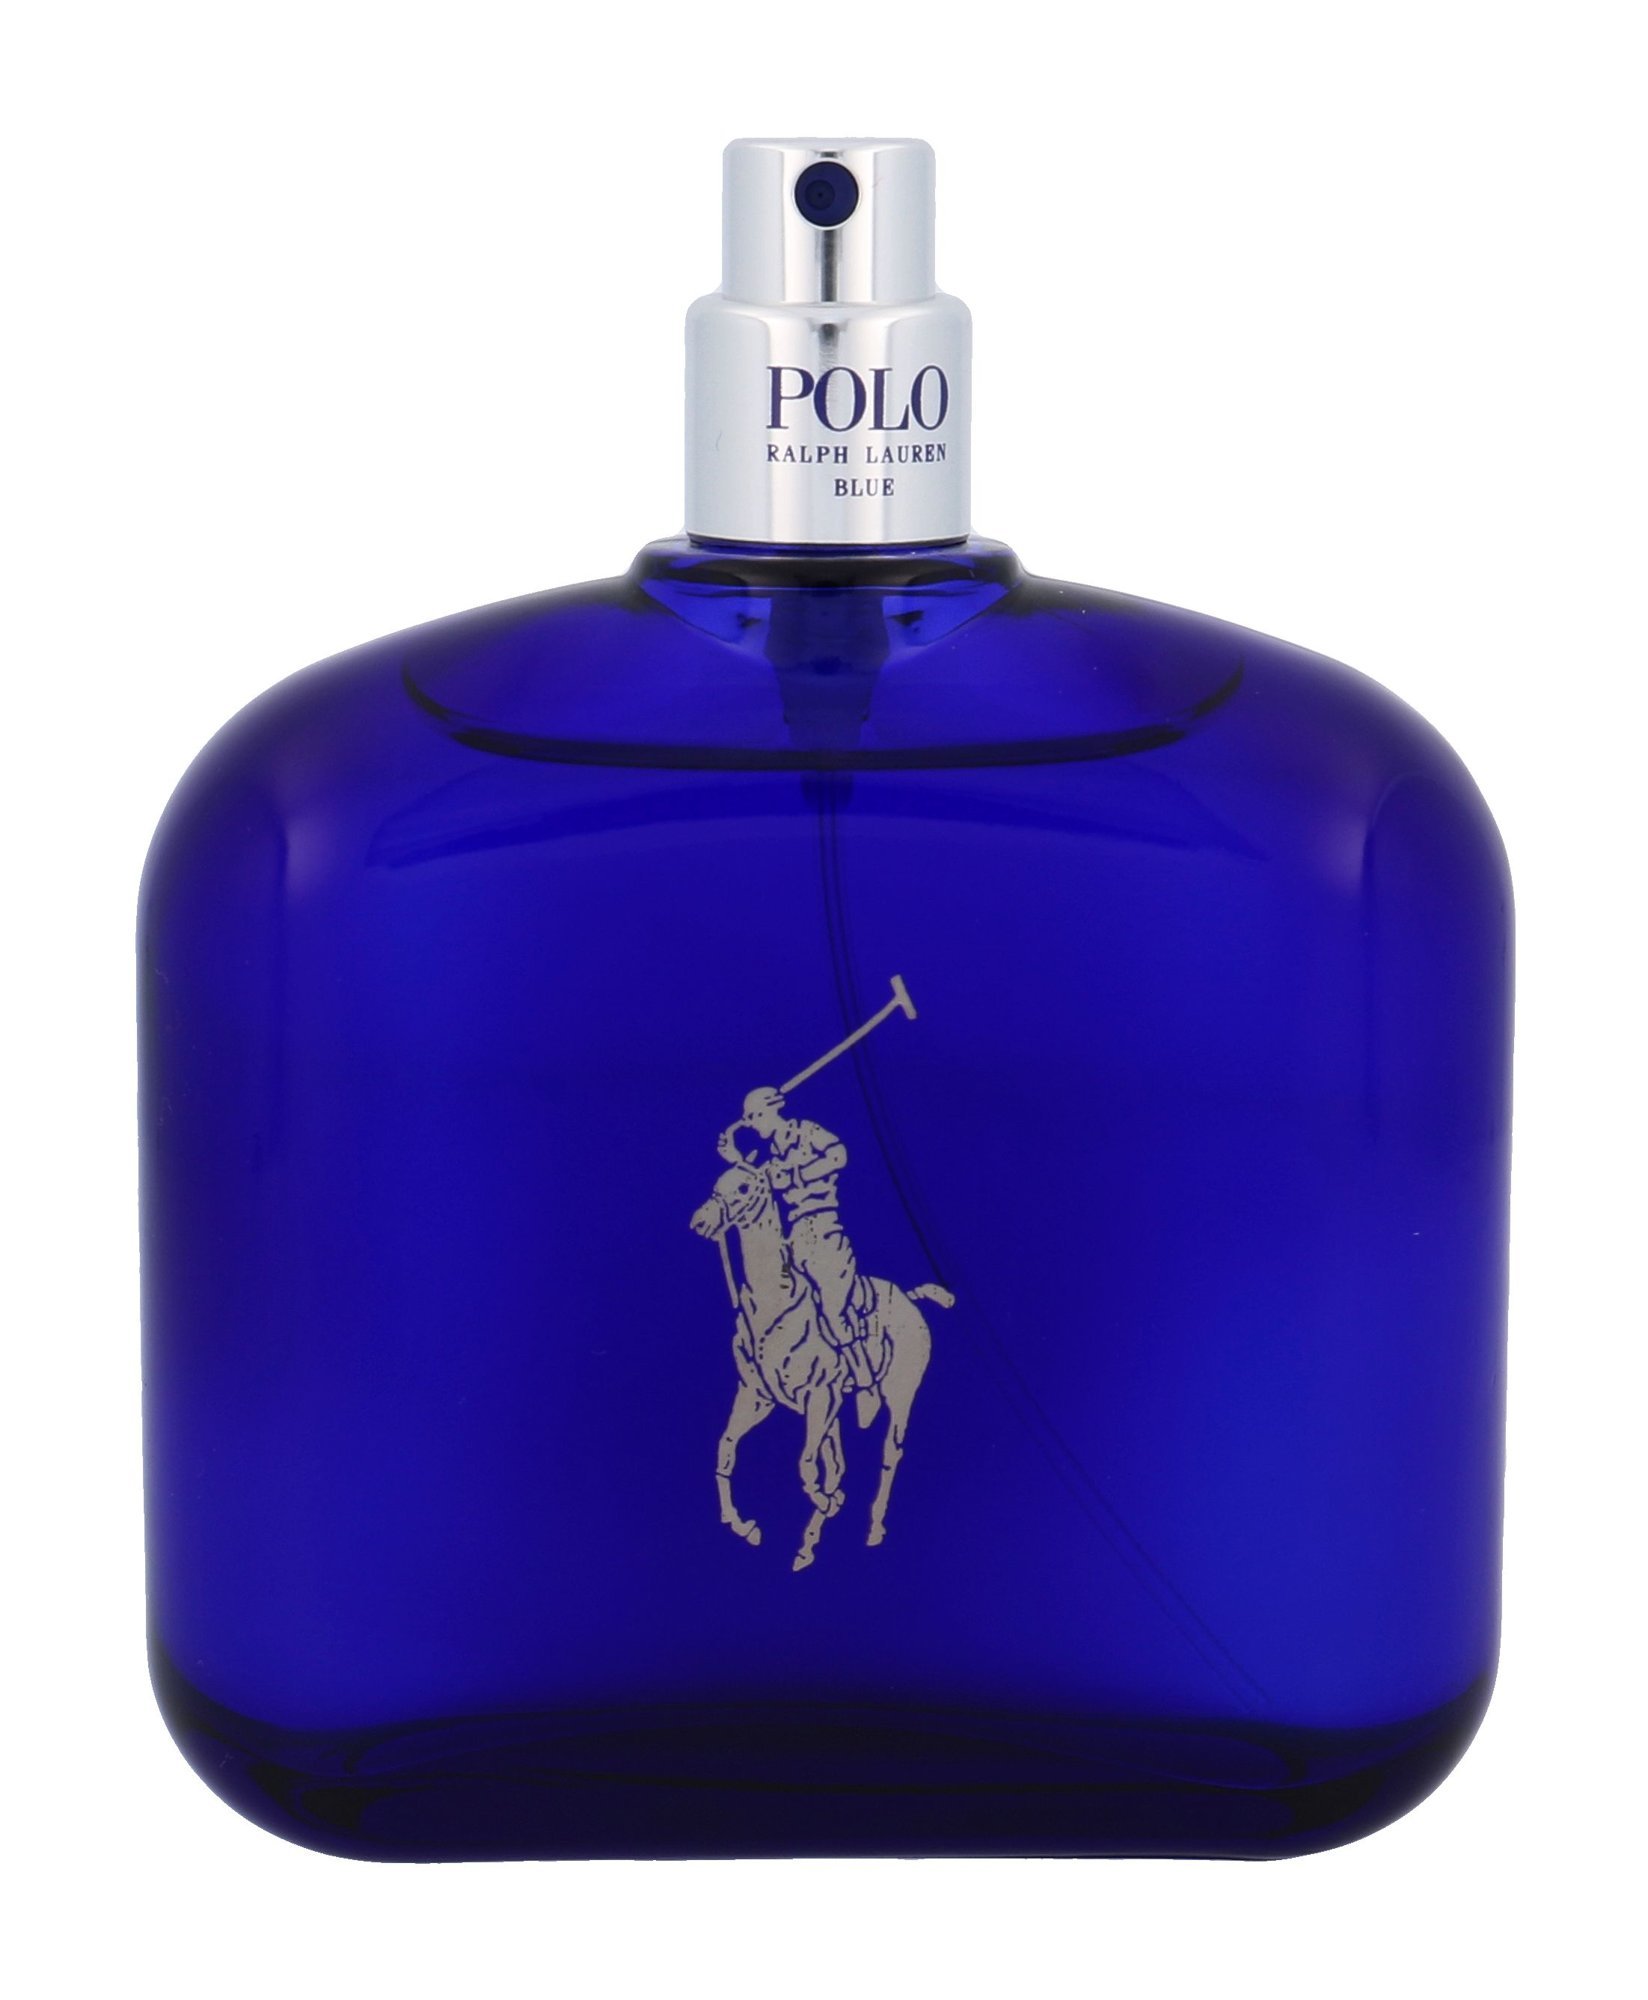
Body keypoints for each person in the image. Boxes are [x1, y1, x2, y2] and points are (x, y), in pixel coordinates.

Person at [719, 1086, 879, 1425]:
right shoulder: (772, 1156)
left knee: (833, 1312)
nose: (753, 1126)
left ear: (769, 1111)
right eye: (748, 1121)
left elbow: (839, 1155)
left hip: (825, 1234)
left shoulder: (805, 1132)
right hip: (794, 1240)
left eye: (754, 1118)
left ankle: (866, 1382)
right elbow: (756, 1184)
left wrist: (795, 1174)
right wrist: (736, 1159)